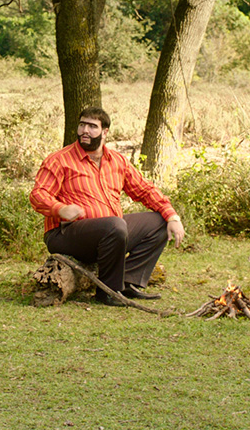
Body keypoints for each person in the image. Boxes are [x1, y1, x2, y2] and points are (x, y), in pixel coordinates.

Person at [30, 106, 185, 306]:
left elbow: (145, 190)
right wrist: (59, 209)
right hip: (65, 234)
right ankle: (108, 292)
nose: (85, 130)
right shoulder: (59, 160)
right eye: (82, 125)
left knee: (159, 221)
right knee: (115, 225)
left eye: (92, 126)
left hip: (110, 233)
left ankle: (127, 282)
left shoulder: (117, 161)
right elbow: (38, 194)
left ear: (105, 132)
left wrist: (173, 217)